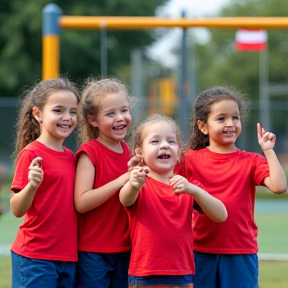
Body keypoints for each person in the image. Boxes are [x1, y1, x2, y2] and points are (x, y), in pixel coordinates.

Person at [179, 86, 287, 288]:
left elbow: (280, 186)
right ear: (203, 127)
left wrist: (269, 151)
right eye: (221, 119)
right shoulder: (189, 159)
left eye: (235, 117)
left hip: (240, 251)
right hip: (199, 250)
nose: (230, 124)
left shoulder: (252, 161)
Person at [120, 114, 227, 288]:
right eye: (155, 142)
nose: (164, 145)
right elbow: (125, 198)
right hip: (145, 274)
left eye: (171, 141)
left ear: (178, 152)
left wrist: (194, 190)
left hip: (182, 274)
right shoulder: (139, 182)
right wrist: (133, 184)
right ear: (139, 152)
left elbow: (221, 215)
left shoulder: (187, 187)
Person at [10, 77, 80, 288]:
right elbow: (16, 208)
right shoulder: (31, 153)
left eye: (73, 111)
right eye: (58, 110)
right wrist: (32, 185)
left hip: (68, 258)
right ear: (38, 113)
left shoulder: (71, 157)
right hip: (35, 257)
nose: (67, 117)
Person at [74, 78, 133, 288]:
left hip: (126, 249)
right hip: (94, 251)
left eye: (124, 110)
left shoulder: (130, 152)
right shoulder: (90, 153)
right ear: (93, 120)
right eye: (110, 114)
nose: (120, 118)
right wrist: (121, 180)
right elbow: (81, 202)